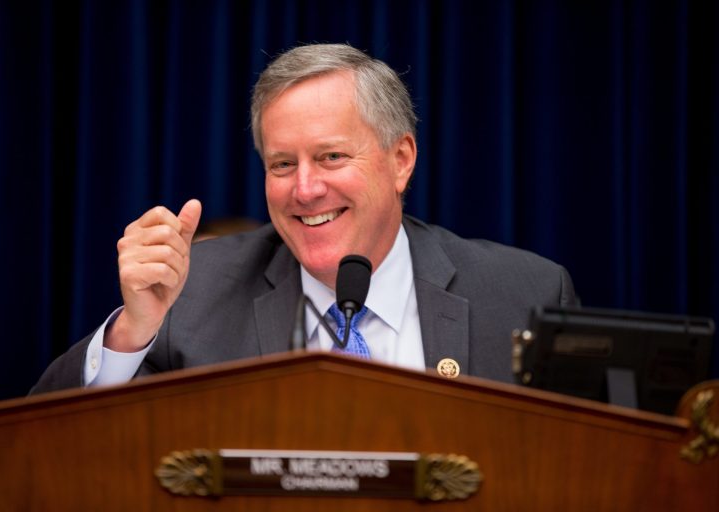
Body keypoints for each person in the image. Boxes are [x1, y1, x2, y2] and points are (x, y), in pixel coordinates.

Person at [32, 43, 576, 393]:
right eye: (283, 164)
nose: (306, 189)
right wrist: (133, 332)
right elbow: (41, 443)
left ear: (400, 160)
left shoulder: (526, 293)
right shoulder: (191, 290)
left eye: (332, 157)